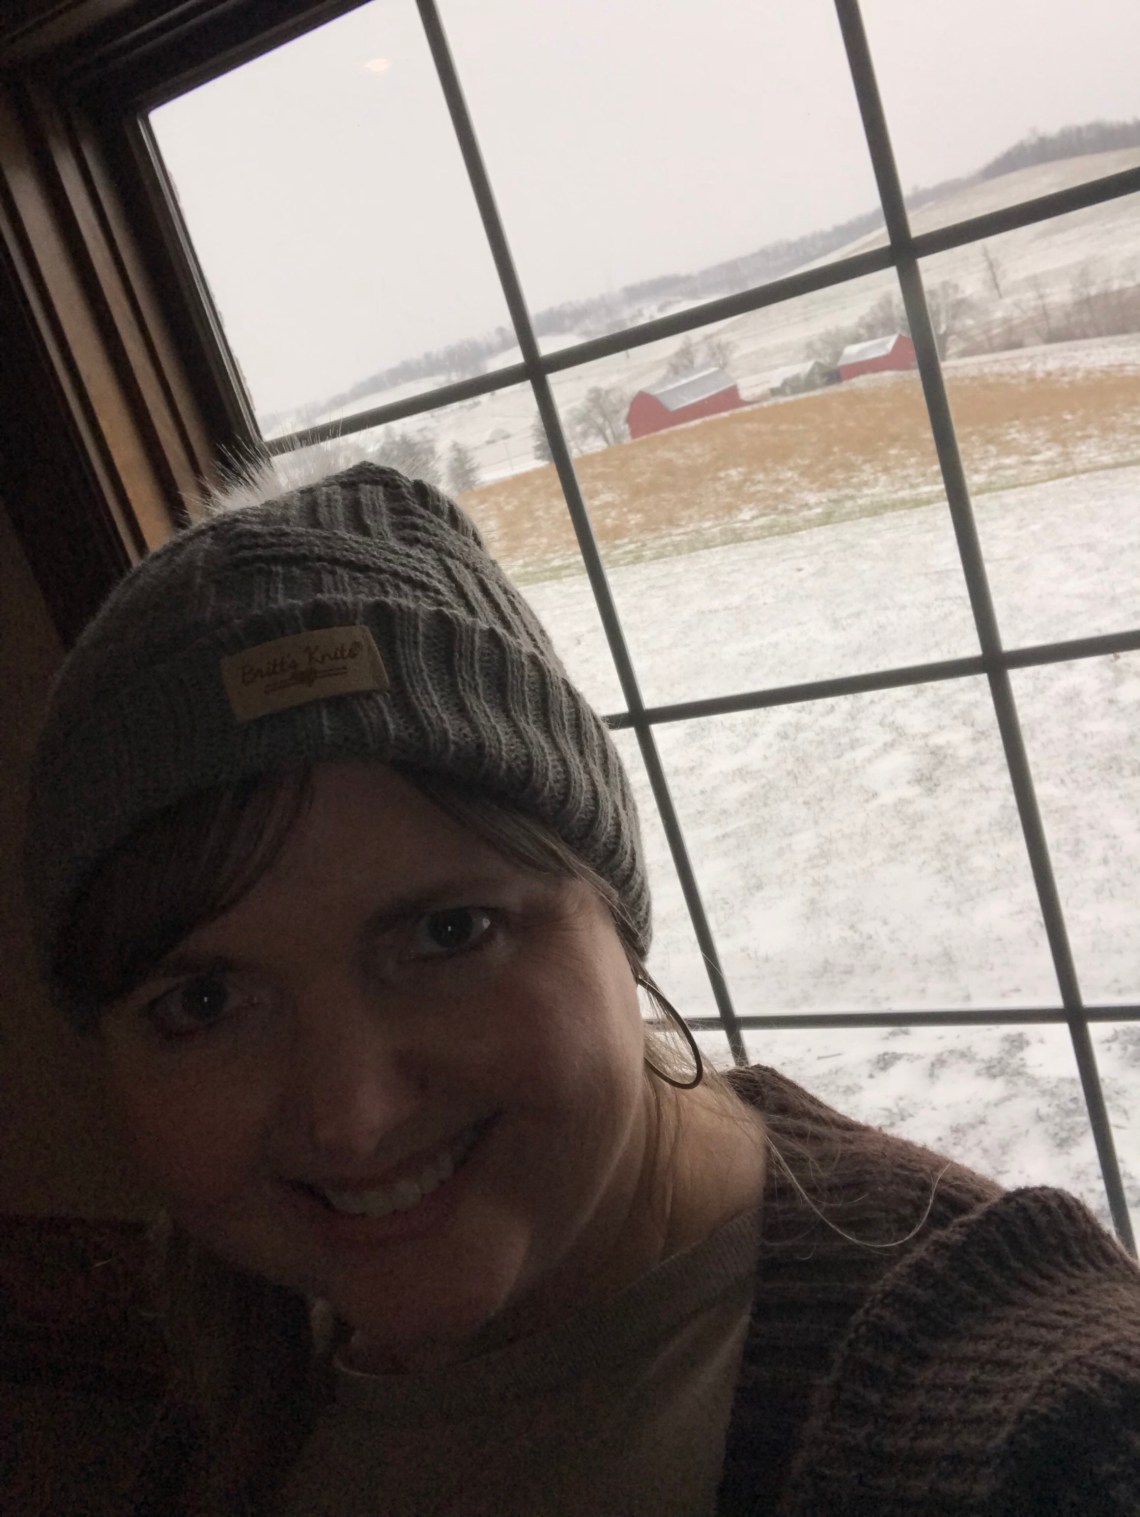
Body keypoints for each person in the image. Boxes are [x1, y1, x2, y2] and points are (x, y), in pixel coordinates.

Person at [24, 458, 1140, 1517]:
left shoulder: (1037, 1425)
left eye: (448, 933)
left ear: (614, 915)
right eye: (204, 1002)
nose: (350, 1116)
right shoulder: (239, 1346)